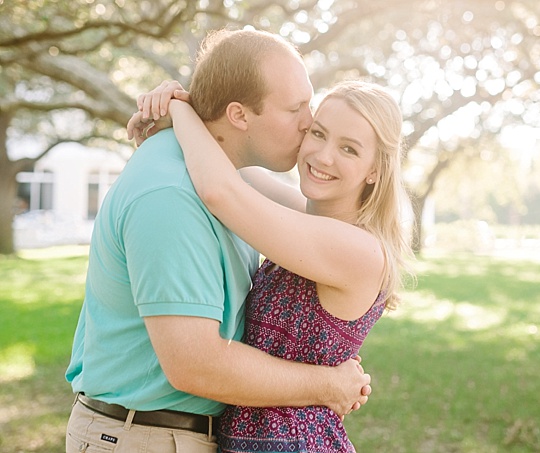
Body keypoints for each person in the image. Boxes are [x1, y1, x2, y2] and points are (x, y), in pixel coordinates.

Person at [64, 28, 371, 453]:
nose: (310, 123)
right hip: (145, 438)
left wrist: (181, 108)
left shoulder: (230, 181)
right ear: (240, 115)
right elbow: (196, 366)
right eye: (296, 108)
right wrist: (329, 384)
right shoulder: (171, 195)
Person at [132, 78, 413, 452]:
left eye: (348, 148)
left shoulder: (358, 250)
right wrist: (178, 111)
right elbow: (233, 164)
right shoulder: (306, 220)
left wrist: (180, 109)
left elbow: (220, 190)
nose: (323, 156)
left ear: (375, 170)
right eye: (318, 133)